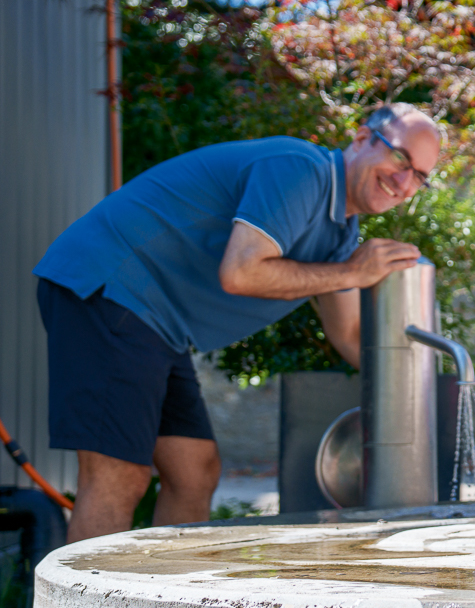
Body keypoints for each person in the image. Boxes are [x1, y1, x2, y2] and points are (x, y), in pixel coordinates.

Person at [33, 103, 441, 542]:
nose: (404, 182)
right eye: (400, 158)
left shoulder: (341, 233)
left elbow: (349, 336)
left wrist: (420, 383)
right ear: (362, 139)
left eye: (419, 175)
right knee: (119, 475)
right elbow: (242, 271)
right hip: (109, 285)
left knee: (194, 471)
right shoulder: (300, 170)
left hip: (158, 321)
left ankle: (166, 602)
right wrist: (353, 274)